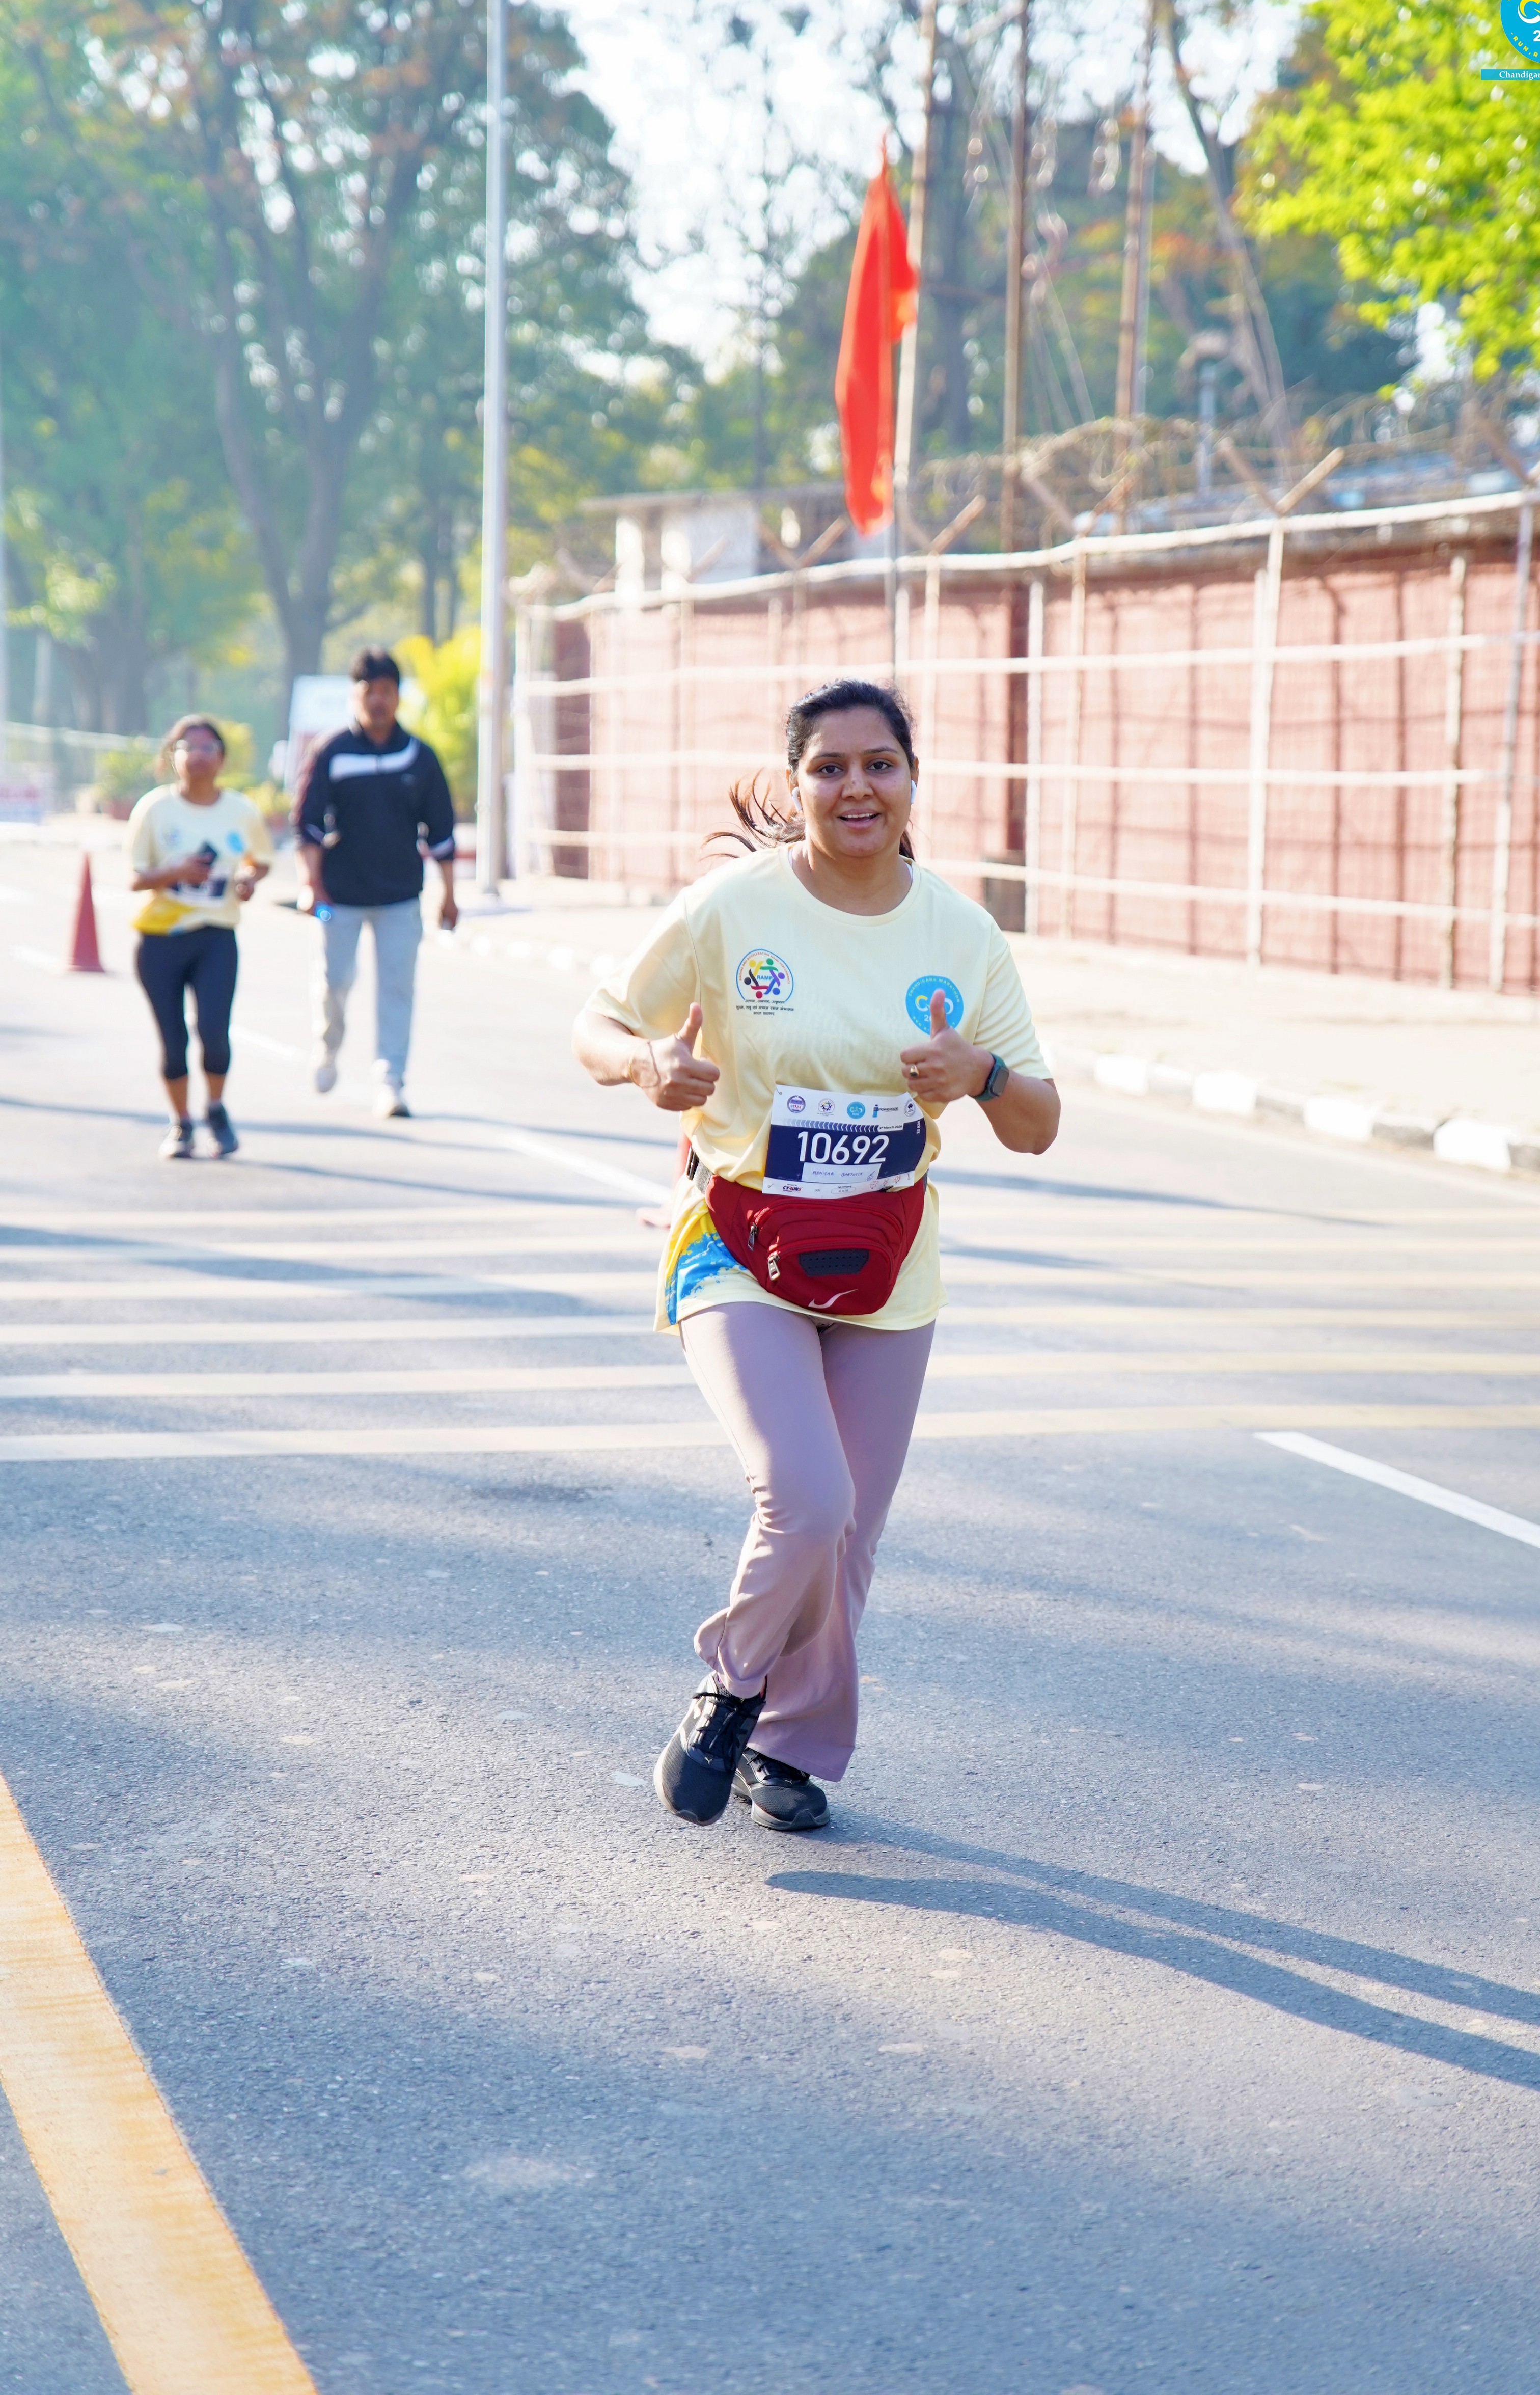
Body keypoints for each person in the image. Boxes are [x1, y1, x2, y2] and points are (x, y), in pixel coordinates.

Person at [574, 677, 1059, 1832]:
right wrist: (647, 1065)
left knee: (847, 1541)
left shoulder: (960, 934)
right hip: (738, 1242)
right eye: (829, 767)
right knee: (806, 1494)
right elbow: (595, 1025)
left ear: (912, 780)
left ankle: (784, 1747)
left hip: (886, 1263)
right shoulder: (729, 909)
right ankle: (728, 1689)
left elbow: (1039, 1122)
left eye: (879, 764)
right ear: (796, 786)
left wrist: (982, 1075)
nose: (857, 787)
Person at [294, 647, 458, 1118]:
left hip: (401, 896)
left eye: (387, 691)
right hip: (336, 898)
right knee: (334, 980)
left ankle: (391, 1081)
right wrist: (311, 884)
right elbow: (307, 824)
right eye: (370, 691)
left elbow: (441, 833)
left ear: (398, 696)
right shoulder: (332, 752)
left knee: (397, 990)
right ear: (356, 696)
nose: (379, 701)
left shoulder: (418, 757)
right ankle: (327, 1047)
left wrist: (449, 895)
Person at [128, 715, 273, 1160]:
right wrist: (176, 871)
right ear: (173, 757)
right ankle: (181, 1123)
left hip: (216, 936)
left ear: (222, 758)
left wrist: (248, 879)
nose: (198, 756)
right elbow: (136, 877)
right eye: (188, 748)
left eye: (208, 747)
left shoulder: (240, 810)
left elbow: (260, 860)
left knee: (214, 1030)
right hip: (161, 939)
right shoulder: (155, 810)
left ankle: (215, 1108)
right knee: (174, 1041)